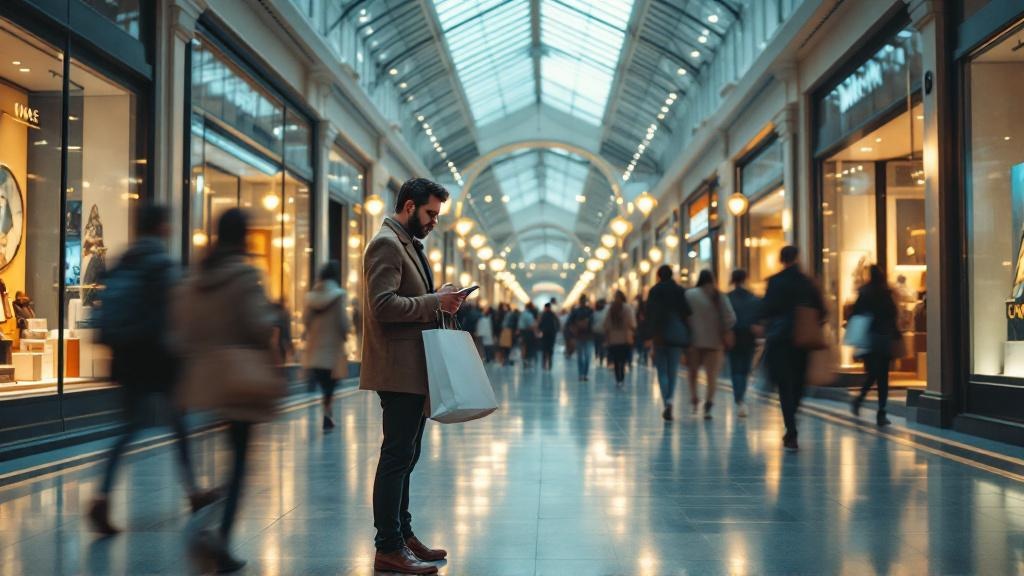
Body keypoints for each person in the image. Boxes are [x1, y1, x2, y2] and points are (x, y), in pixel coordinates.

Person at [87, 205, 219, 536]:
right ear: (162, 227)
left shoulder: (123, 259)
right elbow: (180, 313)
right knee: (180, 423)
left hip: (127, 357)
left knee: (128, 428)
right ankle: (192, 491)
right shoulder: (162, 263)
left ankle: (102, 496)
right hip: (159, 358)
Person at [360, 178, 466, 575]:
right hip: (398, 368)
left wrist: (441, 297)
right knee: (396, 456)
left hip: (413, 368)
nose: (434, 221)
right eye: (430, 213)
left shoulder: (407, 244)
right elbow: (382, 306)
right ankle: (387, 545)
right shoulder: (386, 244)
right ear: (409, 206)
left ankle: (403, 535)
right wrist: (433, 301)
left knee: (408, 454)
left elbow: (408, 299)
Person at [175, 208, 280, 572]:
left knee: (215, 459)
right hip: (239, 381)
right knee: (237, 467)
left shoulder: (197, 274)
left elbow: (183, 326)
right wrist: (272, 318)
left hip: (202, 380)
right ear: (245, 235)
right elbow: (257, 325)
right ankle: (216, 537)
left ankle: (206, 528)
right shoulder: (245, 274)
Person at [760, 245, 825, 452]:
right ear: (797, 258)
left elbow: (767, 309)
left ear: (782, 259)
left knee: (784, 386)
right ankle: (792, 422)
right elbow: (822, 311)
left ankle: (791, 429)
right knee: (798, 383)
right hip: (802, 340)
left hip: (780, 340)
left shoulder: (775, 281)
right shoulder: (807, 282)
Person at [303, 261, 351, 431]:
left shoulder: (311, 297)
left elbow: (306, 321)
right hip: (332, 348)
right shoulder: (338, 296)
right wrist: (346, 334)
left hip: (315, 348)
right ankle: (327, 412)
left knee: (324, 383)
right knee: (331, 384)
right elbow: (342, 321)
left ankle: (327, 411)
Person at [850, 265, 900, 427]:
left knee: (872, 374)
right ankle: (881, 411)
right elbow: (893, 315)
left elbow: (855, 313)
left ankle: (859, 400)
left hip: (869, 338)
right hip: (884, 338)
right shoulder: (887, 293)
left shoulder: (864, 292)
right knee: (883, 377)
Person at [686, 270, 736, 419]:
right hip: (715, 342)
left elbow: (684, 316)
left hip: (694, 341)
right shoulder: (719, 295)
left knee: (693, 373)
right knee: (711, 376)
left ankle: (694, 398)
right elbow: (731, 318)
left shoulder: (690, 295)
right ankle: (708, 404)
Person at [645, 265, 692, 421]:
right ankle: (671, 398)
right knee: (673, 371)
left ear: (658, 276)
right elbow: (687, 313)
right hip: (676, 336)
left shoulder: (654, 291)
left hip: (659, 336)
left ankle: (666, 402)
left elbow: (649, 315)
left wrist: (648, 336)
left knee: (662, 371)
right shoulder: (680, 291)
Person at [727, 269, 762, 417]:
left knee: (735, 368)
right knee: (746, 368)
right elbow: (759, 315)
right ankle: (741, 397)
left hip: (733, 335)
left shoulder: (727, 298)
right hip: (748, 335)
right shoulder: (752, 298)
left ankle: (738, 397)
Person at [603, 290, 636, 387]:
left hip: (613, 339)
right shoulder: (627, 308)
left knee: (616, 360)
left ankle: (618, 379)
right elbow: (632, 323)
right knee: (623, 359)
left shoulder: (611, 309)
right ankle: (622, 377)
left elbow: (606, 324)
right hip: (625, 338)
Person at [567, 295, 595, 381]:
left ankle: (581, 374)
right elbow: (594, 323)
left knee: (580, 356)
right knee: (587, 356)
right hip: (588, 336)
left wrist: (572, 333)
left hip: (578, 336)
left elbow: (569, 323)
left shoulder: (575, 311)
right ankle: (585, 374)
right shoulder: (590, 311)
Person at [538, 303, 560, 371]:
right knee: (550, 349)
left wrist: (540, 330)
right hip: (552, 334)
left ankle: (544, 365)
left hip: (545, 334)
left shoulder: (543, 315)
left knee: (545, 349)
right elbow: (558, 323)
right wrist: (556, 330)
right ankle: (550, 365)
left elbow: (540, 324)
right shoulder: (553, 315)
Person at [518, 302, 537, 369]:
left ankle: (524, 360)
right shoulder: (529, 315)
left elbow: (519, 324)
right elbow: (531, 325)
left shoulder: (522, 314)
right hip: (528, 332)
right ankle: (527, 360)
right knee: (528, 346)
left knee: (523, 346)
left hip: (522, 332)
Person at [633, 296, 650, 367]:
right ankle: (644, 358)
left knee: (641, 345)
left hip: (641, 331)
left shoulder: (639, 313)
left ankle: (642, 357)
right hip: (644, 331)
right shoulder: (648, 314)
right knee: (644, 346)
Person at [592, 298, 608, 368]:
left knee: (597, 345)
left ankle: (597, 356)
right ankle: (601, 358)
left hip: (596, 331)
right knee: (602, 345)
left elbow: (592, 322)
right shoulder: (606, 312)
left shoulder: (594, 313)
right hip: (603, 331)